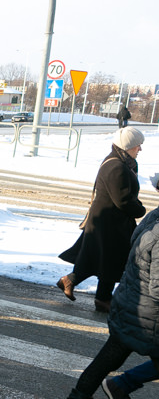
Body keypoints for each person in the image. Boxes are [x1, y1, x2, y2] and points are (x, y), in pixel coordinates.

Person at [52, 204, 159, 399]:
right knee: (106, 361)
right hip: (149, 316)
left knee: (104, 361)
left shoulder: (155, 215)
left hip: (130, 305)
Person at [57, 127, 146, 312]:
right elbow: (122, 200)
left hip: (110, 222)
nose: (140, 149)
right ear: (128, 145)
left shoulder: (123, 162)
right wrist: (140, 209)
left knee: (100, 259)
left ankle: (75, 283)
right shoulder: (116, 166)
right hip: (108, 223)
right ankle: (102, 299)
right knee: (109, 260)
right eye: (138, 145)